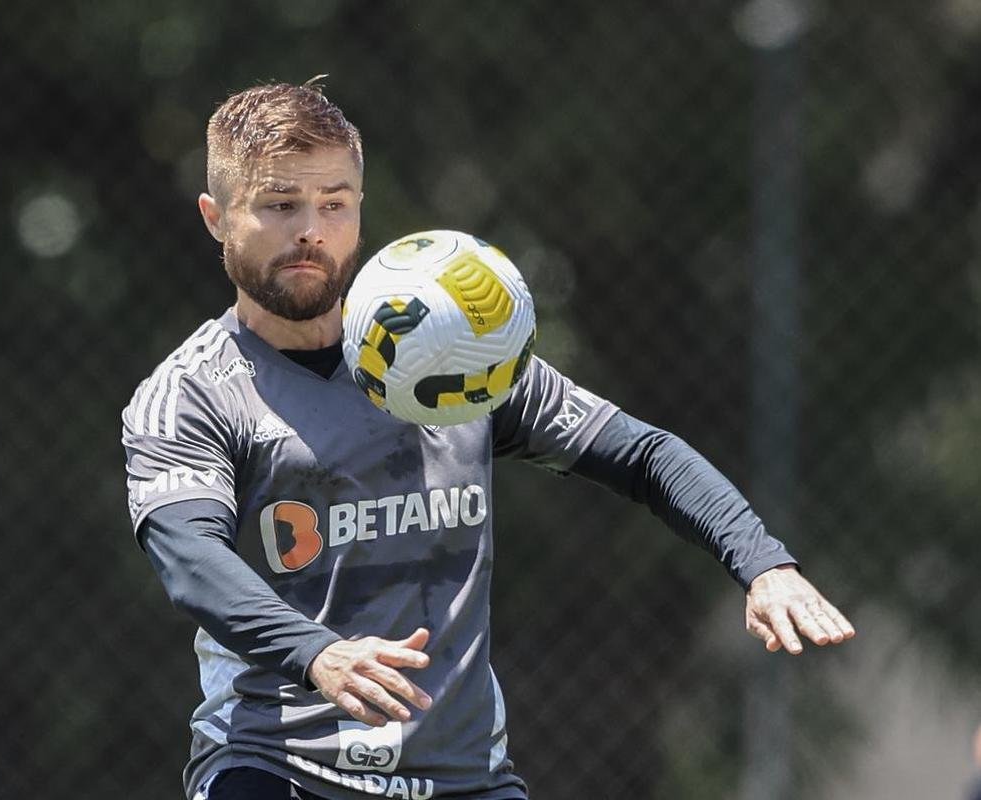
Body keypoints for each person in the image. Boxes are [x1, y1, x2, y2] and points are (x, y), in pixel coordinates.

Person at [121, 80, 856, 800]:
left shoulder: (454, 358)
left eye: (334, 204)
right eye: (280, 205)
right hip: (278, 768)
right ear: (216, 217)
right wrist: (318, 655)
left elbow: (643, 455)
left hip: (463, 778)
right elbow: (191, 557)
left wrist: (764, 565)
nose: (310, 228)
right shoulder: (192, 393)